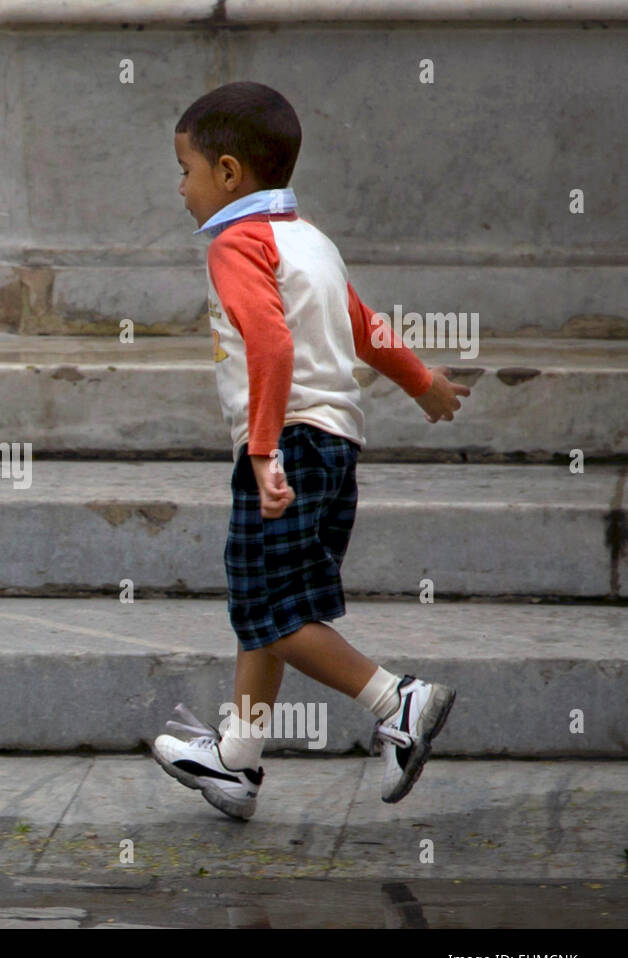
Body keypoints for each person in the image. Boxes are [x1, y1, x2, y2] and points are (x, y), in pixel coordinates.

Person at [152, 82, 470, 820]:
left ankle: (399, 700)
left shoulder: (238, 243)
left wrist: (262, 453)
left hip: (287, 445)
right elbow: (362, 324)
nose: (181, 188)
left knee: (275, 608)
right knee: (267, 605)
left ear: (229, 174)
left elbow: (269, 342)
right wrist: (423, 383)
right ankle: (238, 759)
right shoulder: (309, 239)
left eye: (186, 170)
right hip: (334, 446)